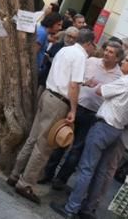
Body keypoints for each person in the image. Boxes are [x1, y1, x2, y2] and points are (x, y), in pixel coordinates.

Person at [51, 51, 128, 217]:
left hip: (104, 127)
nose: (122, 62)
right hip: (117, 130)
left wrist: (94, 84)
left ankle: (71, 208)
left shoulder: (125, 82)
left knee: (86, 168)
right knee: (100, 171)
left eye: (126, 60)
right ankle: (87, 208)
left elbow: (100, 91)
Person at [8, 29, 96, 204]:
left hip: (48, 94)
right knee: (44, 146)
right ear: (89, 43)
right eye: (94, 45)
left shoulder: (65, 49)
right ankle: (25, 183)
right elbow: (73, 85)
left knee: (33, 138)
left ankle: (15, 174)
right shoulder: (80, 56)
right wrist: (73, 109)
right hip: (58, 102)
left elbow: (63, 76)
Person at [44, 38, 124, 189]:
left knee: (77, 149)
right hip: (77, 106)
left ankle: (61, 180)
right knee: (61, 140)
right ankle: (47, 173)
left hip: (93, 114)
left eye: (111, 52)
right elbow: (77, 79)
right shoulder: (91, 61)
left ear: (118, 58)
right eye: (106, 50)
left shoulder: (119, 77)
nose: (106, 53)